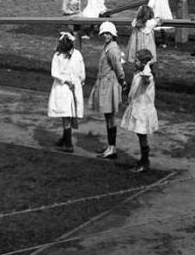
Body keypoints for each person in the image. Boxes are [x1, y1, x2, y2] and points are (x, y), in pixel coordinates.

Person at [91, 22, 126, 159]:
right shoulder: (108, 47)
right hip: (105, 83)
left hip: (109, 84)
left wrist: (123, 81)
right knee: (108, 116)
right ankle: (111, 146)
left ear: (113, 34)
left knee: (110, 117)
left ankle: (112, 148)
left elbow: (118, 68)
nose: (105, 36)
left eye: (108, 33)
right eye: (104, 33)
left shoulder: (112, 50)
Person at [120, 48, 158, 173]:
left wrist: (147, 64)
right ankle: (143, 159)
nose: (134, 62)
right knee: (140, 135)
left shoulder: (147, 76)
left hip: (143, 111)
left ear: (143, 63)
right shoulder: (138, 73)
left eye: (137, 60)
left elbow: (146, 76)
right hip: (138, 107)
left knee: (142, 135)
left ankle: (145, 161)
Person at [47, 32, 85, 153]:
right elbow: (55, 72)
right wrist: (69, 81)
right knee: (66, 114)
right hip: (64, 88)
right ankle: (65, 139)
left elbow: (81, 72)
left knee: (68, 115)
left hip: (69, 88)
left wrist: (76, 82)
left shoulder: (74, 55)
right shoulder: (60, 55)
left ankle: (68, 144)